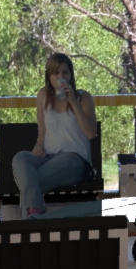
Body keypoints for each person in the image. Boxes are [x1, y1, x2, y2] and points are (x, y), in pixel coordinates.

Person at [11, 52, 100, 217]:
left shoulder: (83, 98)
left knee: (29, 181)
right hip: (48, 157)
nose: (61, 77)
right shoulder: (42, 96)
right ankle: (34, 215)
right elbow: (42, 132)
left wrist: (73, 103)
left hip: (75, 160)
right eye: (56, 73)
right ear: (49, 76)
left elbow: (91, 133)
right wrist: (38, 146)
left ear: (71, 75)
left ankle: (31, 215)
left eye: (65, 73)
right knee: (20, 158)